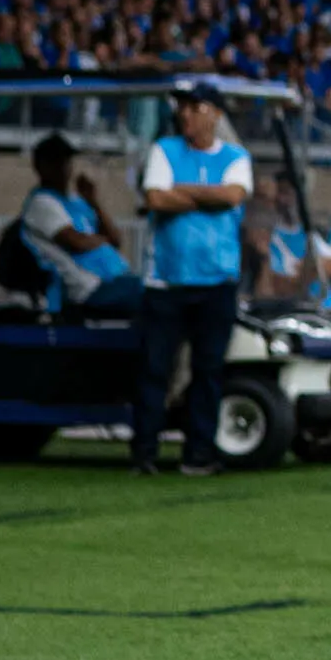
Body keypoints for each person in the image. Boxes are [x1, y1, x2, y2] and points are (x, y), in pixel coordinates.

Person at [134, 84, 252, 476]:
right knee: (155, 368)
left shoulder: (236, 157)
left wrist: (182, 191)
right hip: (166, 280)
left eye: (194, 107)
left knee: (208, 370)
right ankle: (144, 453)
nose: (186, 114)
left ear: (216, 113)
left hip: (216, 281)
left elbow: (233, 197)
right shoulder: (164, 150)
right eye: (183, 107)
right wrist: (208, 196)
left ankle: (197, 453)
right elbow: (156, 200)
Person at [19, 131, 141, 316]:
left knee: (162, 292)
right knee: (156, 297)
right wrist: (102, 239)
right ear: (39, 166)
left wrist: (94, 202)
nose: (62, 167)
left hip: (114, 278)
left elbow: (115, 239)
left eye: (66, 160)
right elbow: (78, 242)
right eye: (55, 161)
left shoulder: (76, 200)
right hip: (89, 289)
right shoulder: (41, 203)